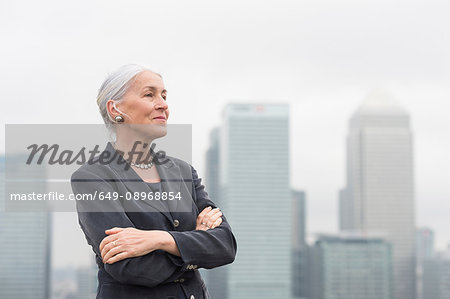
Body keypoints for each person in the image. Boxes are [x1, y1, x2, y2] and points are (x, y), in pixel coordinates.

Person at [71, 64, 237, 299]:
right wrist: (195, 245)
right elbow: (132, 268)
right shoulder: (92, 178)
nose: (163, 104)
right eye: (149, 95)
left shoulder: (183, 171)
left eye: (164, 95)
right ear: (115, 108)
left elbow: (225, 246)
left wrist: (159, 239)